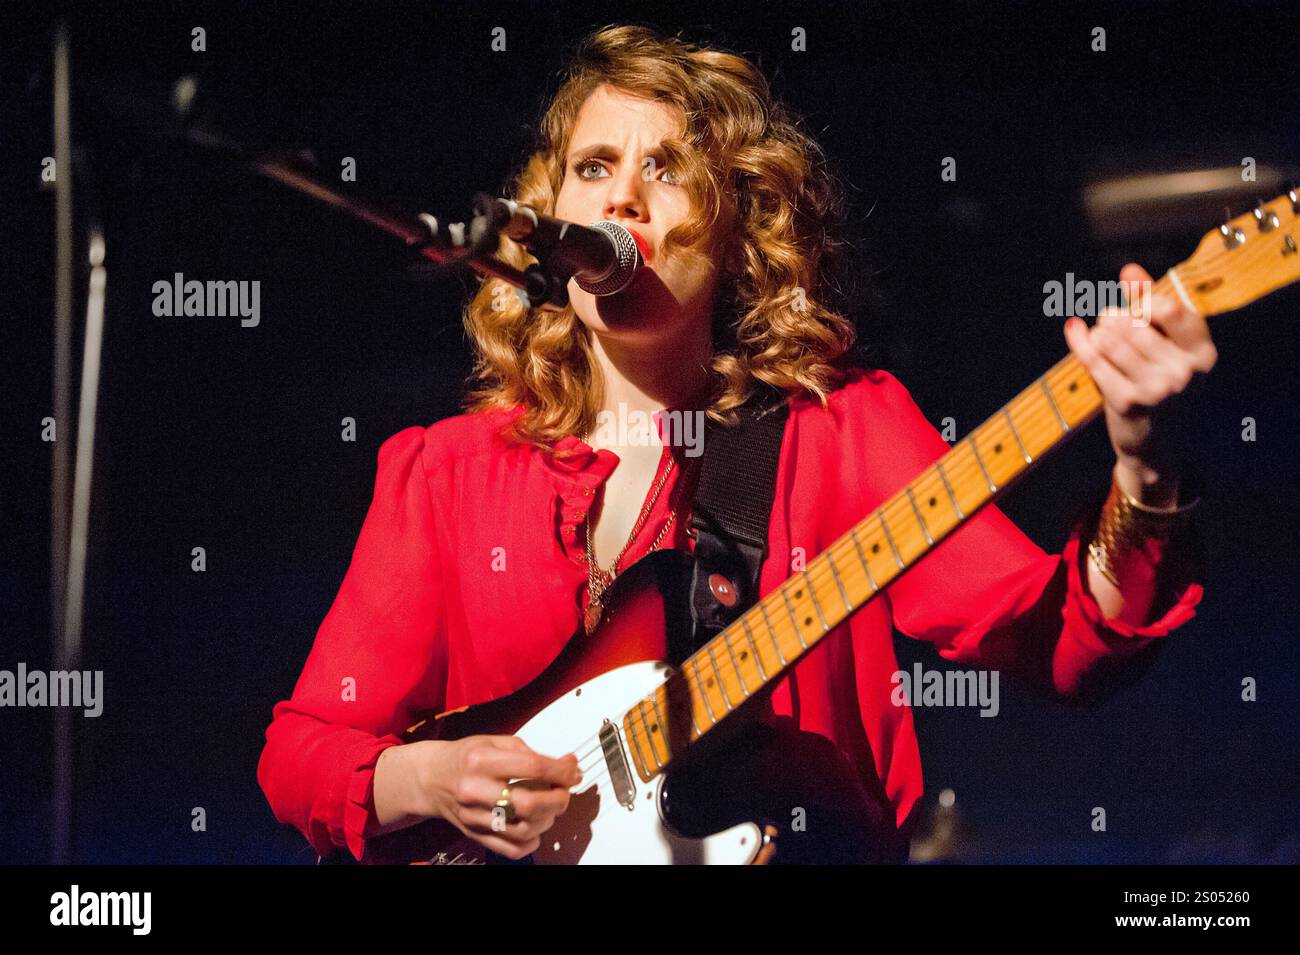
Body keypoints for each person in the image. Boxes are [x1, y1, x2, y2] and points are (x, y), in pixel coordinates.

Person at [256, 24, 1216, 863]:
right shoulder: (447, 473)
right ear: (548, 224)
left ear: (737, 228)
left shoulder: (839, 434)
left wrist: (1145, 467)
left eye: (666, 169)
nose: (623, 200)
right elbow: (300, 753)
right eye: (594, 169)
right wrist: (429, 778)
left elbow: (1057, 645)